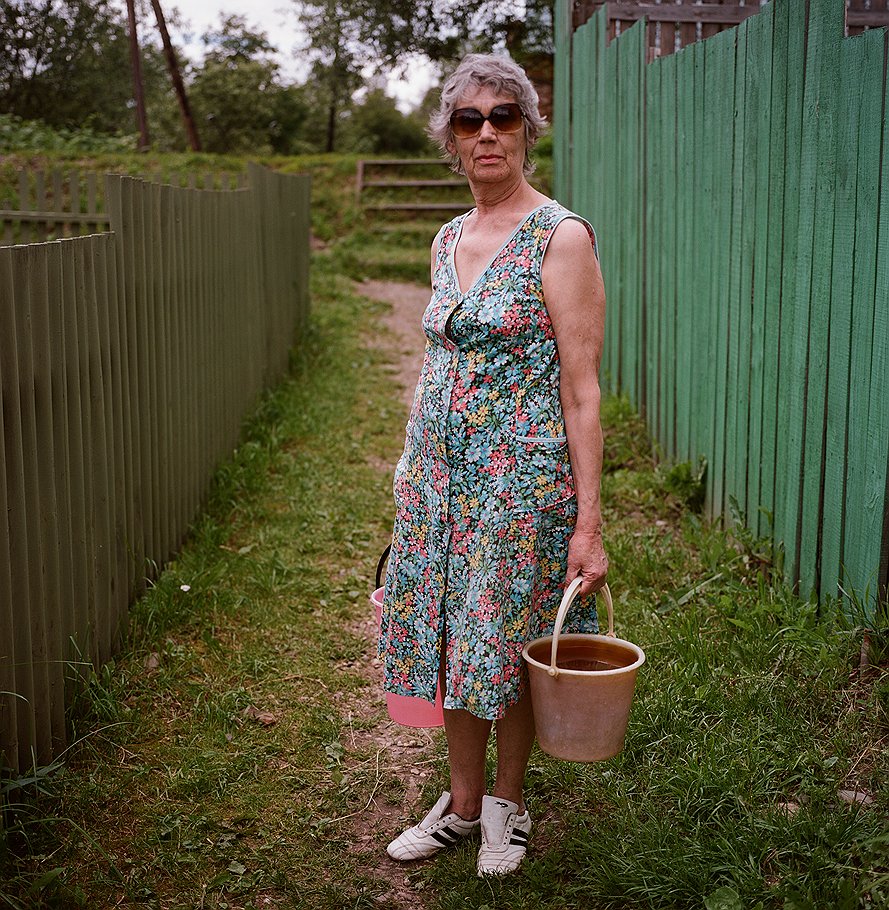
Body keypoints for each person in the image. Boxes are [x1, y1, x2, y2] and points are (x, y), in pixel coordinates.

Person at [378, 52, 608, 877]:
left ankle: (505, 809)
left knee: (502, 643)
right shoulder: (446, 238)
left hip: (519, 486)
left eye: (502, 117)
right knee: (449, 642)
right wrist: (410, 474)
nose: (486, 134)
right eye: (469, 120)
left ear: (525, 132)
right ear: (449, 138)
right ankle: (461, 805)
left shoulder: (560, 236)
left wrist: (588, 524)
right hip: (438, 484)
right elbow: (441, 364)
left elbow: (581, 392)